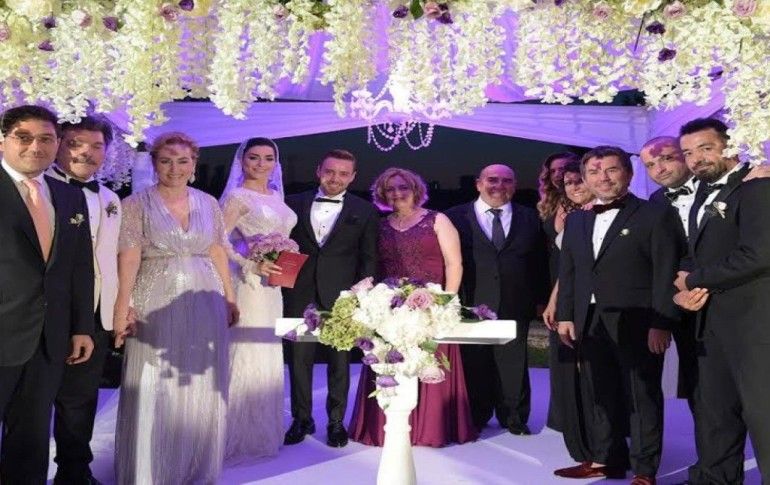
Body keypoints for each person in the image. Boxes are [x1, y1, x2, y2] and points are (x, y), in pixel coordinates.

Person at [113, 132, 239, 484]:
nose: (175, 168)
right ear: (154, 164)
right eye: (166, 161)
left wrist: (230, 296)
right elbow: (129, 257)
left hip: (205, 298)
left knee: (201, 378)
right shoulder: (135, 204)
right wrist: (123, 306)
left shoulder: (208, 203)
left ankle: (194, 466)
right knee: (158, 380)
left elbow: (217, 250)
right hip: (155, 299)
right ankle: (151, 469)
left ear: (194, 164)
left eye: (183, 161)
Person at [553, 146, 684, 485]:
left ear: (628, 173)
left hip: (638, 318)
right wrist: (566, 315)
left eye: (611, 170)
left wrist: (661, 322)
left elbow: (665, 272)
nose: (603, 178)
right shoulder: (577, 220)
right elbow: (569, 271)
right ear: (585, 178)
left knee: (642, 395)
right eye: (594, 172)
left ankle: (644, 470)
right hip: (588, 318)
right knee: (599, 391)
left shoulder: (655, 214)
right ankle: (604, 460)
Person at [0, 105, 95, 484]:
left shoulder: (68, 197)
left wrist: (81, 326)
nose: (35, 147)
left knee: (31, 437)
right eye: (23, 137)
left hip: (48, 338)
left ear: (57, 144)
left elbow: (79, 268)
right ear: (3, 140)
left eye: (46, 139)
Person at [348, 167, 476, 447]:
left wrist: (446, 302)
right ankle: (384, 428)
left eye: (403, 187)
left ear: (415, 189)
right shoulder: (379, 225)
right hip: (389, 310)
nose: (397, 193)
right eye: (390, 189)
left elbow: (454, 263)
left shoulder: (437, 220)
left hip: (430, 308)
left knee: (430, 361)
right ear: (382, 194)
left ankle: (432, 430)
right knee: (388, 361)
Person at [673, 118, 770, 484]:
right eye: (688, 152)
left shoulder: (757, 185)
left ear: (730, 145)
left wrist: (695, 279)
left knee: (763, 418)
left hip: (755, 328)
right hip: (711, 326)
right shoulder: (701, 193)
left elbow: (760, 254)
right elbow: (696, 252)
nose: (696, 159)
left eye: (706, 148)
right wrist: (682, 286)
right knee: (716, 415)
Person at [283, 149, 379, 448]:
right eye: (330, 171)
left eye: (343, 173)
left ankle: (336, 422)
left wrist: (360, 297)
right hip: (299, 292)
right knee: (299, 360)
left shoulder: (365, 210)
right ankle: (301, 419)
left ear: (353, 177)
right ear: (319, 171)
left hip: (342, 297)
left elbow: (369, 258)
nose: (335, 178)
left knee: (340, 362)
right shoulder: (292, 203)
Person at [446, 164, 549, 436]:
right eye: (492, 180)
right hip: (471, 301)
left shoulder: (531, 217)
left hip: (516, 300)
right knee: (474, 362)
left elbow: (540, 262)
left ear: (514, 185)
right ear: (479, 184)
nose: (499, 186)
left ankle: (514, 417)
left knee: (514, 362)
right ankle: (476, 415)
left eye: (507, 181)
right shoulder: (454, 217)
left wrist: (541, 299)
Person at [46, 115, 122, 485]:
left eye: (96, 146)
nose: (85, 153)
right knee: (29, 401)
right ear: (58, 143)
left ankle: (74, 472)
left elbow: (113, 259)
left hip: (95, 314)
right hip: (45, 311)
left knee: (80, 400)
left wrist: (119, 311)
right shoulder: (38, 189)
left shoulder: (110, 198)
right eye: (75, 143)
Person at [220, 137, 296, 461]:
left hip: (272, 287)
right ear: (242, 161)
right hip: (249, 283)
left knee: (267, 351)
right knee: (246, 351)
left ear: (275, 162)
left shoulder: (276, 195)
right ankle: (237, 435)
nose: (261, 164)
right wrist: (249, 263)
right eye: (254, 157)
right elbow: (217, 241)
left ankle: (263, 432)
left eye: (268, 158)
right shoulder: (237, 196)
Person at [539, 159, 596, 462]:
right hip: (569, 296)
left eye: (579, 181)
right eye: (568, 183)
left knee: (590, 369)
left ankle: (596, 439)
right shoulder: (575, 217)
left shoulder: (600, 213)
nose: (573, 187)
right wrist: (554, 301)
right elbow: (567, 267)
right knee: (569, 365)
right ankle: (577, 434)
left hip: (594, 302)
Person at [640, 136, 699, 413]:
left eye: (666, 158)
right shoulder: (656, 201)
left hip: (730, 298)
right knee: (697, 383)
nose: (660, 169)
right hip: (681, 305)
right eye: (651, 165)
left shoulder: (718, 189)